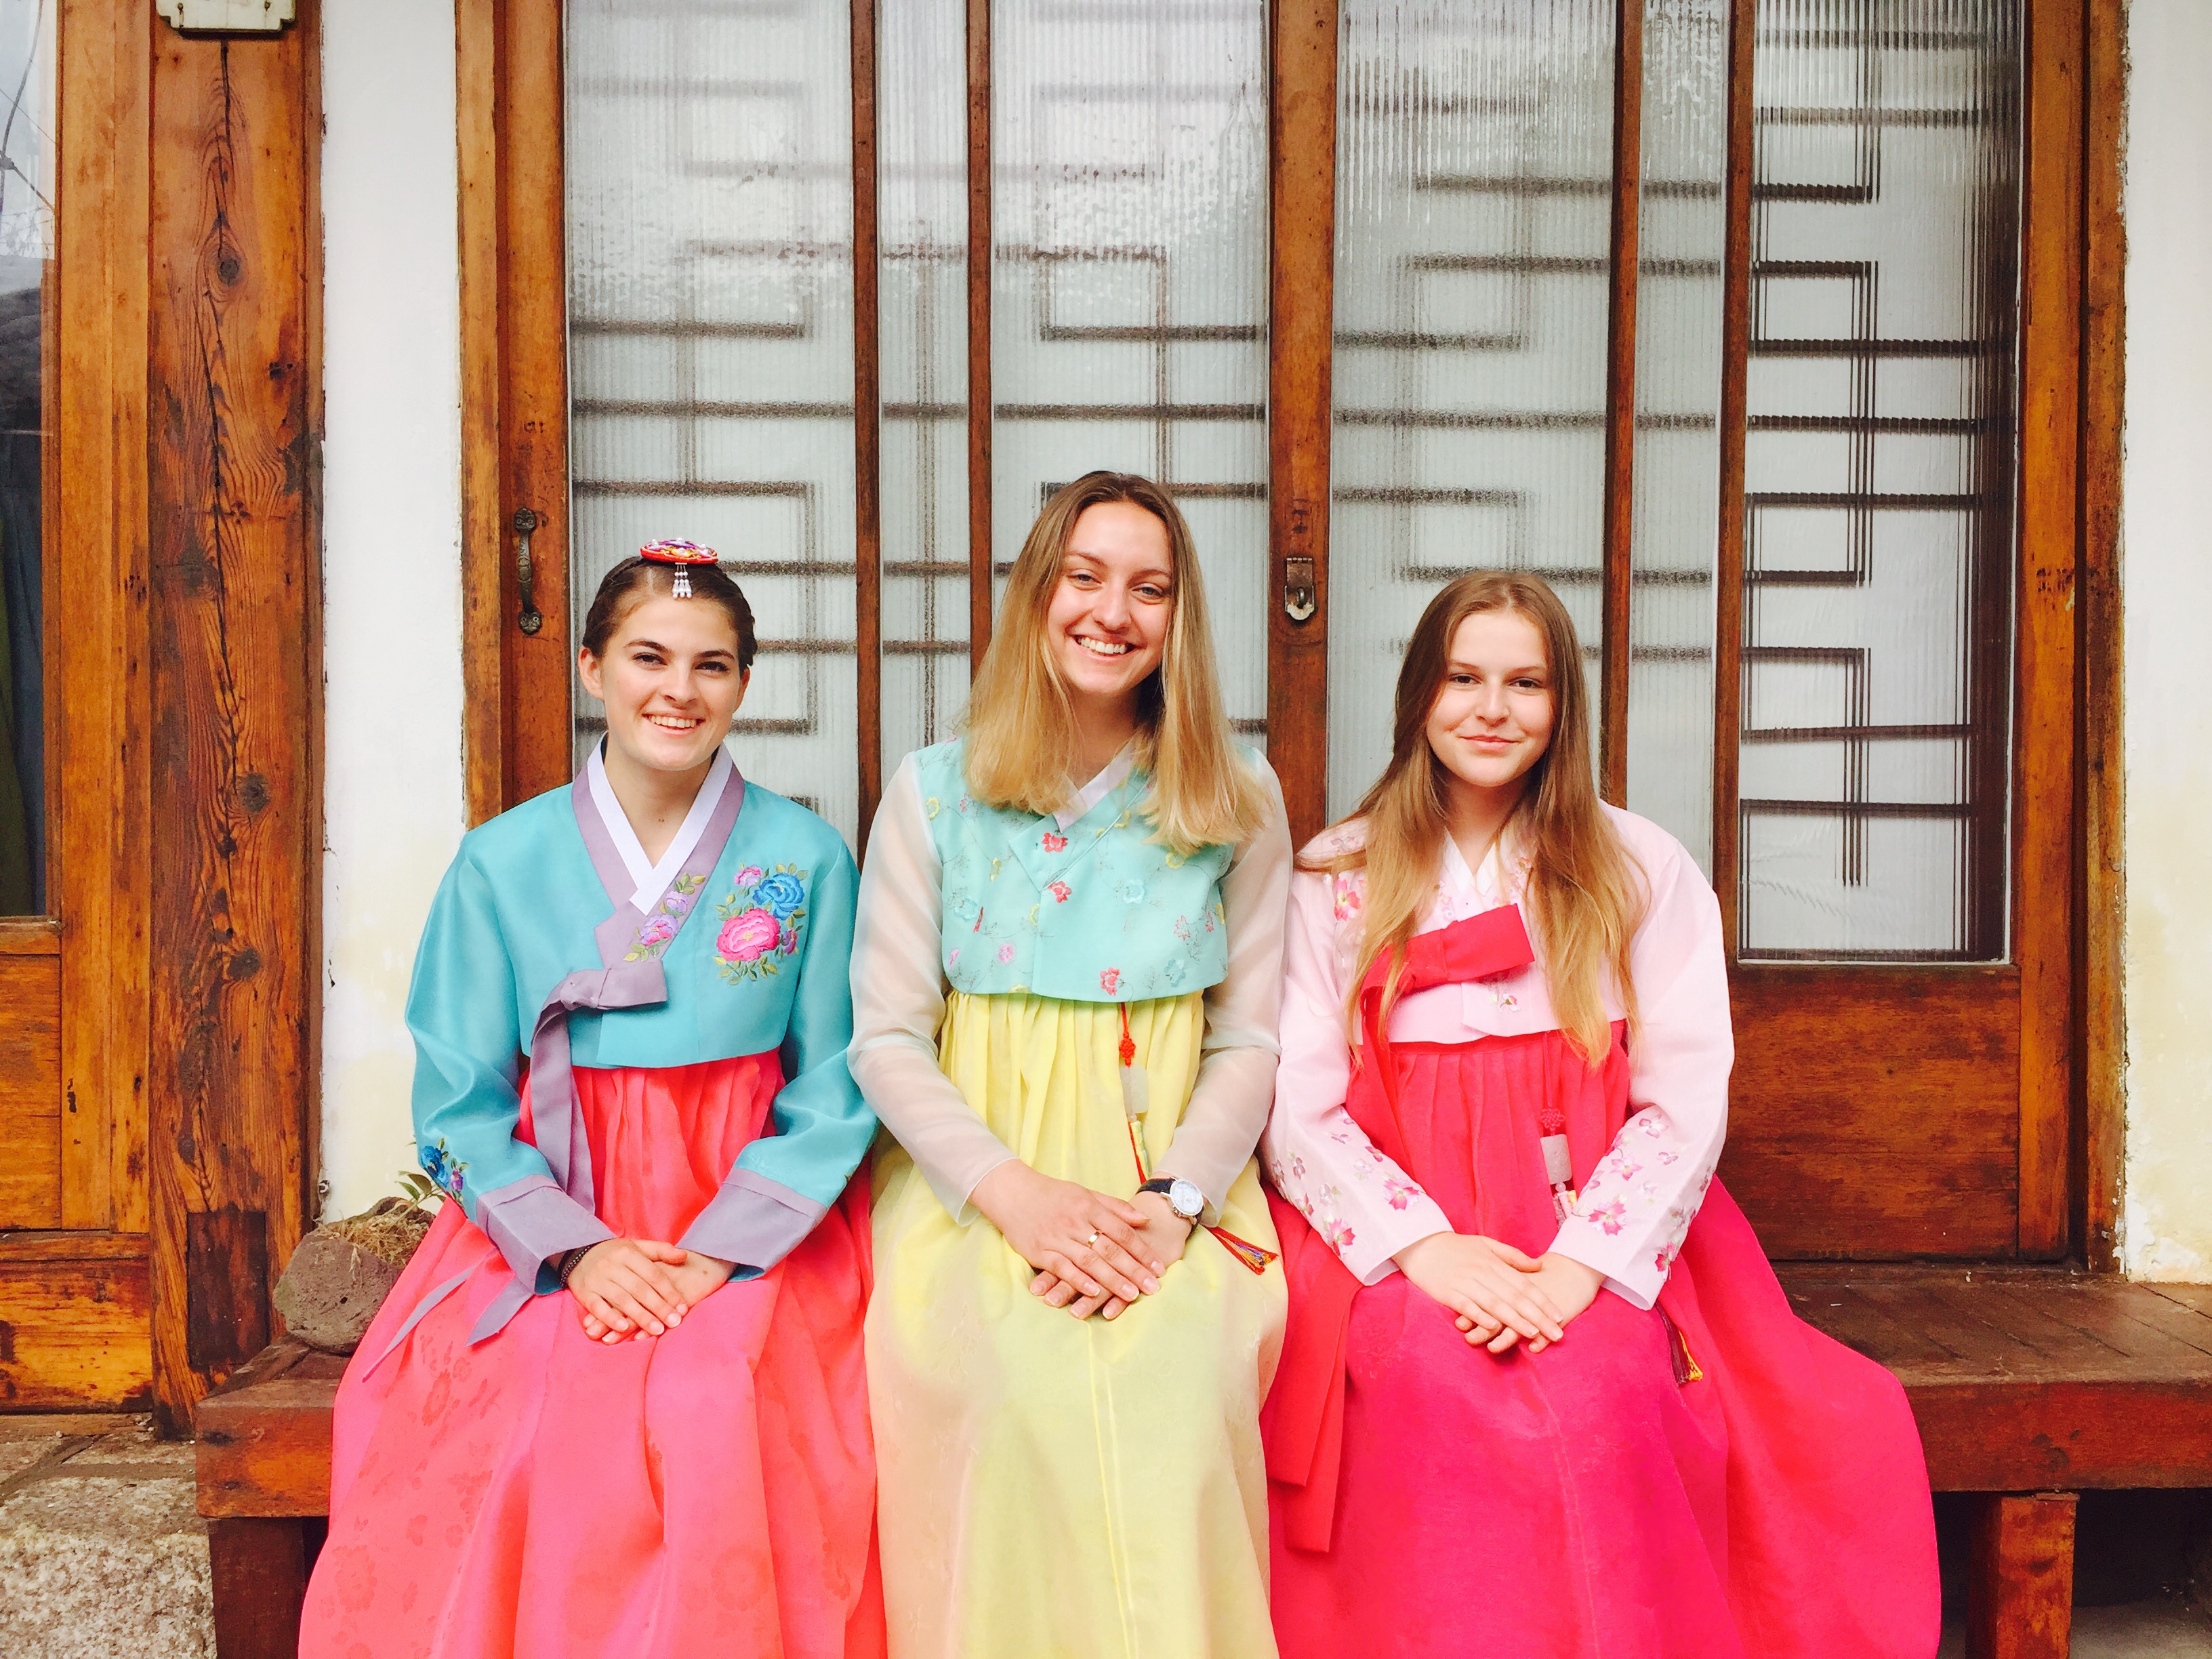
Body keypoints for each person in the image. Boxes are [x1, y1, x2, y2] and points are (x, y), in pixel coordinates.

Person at [1261, 571, 1940, 1658]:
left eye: (1525, 682)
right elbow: (1295, 1106)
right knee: (1420, 1382)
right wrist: (1426, 1251)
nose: (1493, 709)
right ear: (1417, 697)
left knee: (1608, 1389)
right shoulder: (1333, 875)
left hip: (1588, 1214)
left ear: (1562, 702)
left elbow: (1682, 1098)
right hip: (1398, 1227)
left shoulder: (1634, 867)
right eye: (1464, 678)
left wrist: (1581, 1266)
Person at [300, 541, 883, 1659]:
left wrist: (722, 1250)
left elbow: (835, 1080)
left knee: (719, 1397)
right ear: (591, 669)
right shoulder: (499, 861)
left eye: (713, 666)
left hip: (751, 1213)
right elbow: (463, 1101)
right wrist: (576, 1252)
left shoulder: (805, 859)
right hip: (560, 1203)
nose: (680, 689)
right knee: (524, 1388)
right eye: (648, 657)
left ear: (744, 687)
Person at [850, 472, 1292, 1658]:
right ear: (1038, 595)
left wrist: (1174, 1206)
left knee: (1182, 1393)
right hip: (980, 1185)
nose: (1114, 612)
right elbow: (887, 1037)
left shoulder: (1238, 798)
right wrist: (1019, 1198)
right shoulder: (936, 793)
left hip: (1171, 1183)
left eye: (1150, 589)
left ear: (1178, 619)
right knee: (1000, 1390)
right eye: (1085, 577)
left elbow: (1251, 1037)